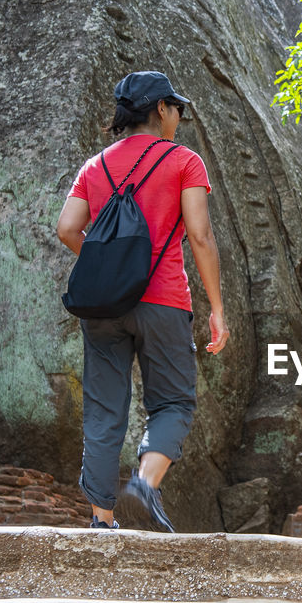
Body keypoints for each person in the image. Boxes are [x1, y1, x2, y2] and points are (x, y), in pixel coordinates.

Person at [56, 70, 229, 531]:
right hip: (164, 301)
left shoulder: (94, 166)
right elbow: (200, 234)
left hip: (104, 307)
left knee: (104, 407)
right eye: (176, 109)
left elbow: (68, 228)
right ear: (159, 109)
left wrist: (112, 269)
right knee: (173, 403)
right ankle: (144, 486)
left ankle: (102, 518)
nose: (178, 117)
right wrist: (217, 308)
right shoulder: (183, 161)